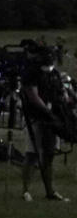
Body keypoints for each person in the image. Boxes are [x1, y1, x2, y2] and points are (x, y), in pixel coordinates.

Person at [20, 45, 70, 202]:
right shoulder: (31, 73)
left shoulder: (53, 73)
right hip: (35, 117)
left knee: (49, 154)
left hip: (52, 118)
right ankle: (26, 190)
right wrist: (47, 111)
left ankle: (50, 191)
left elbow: (61, 92)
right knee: (32, 154)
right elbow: (33, 97)